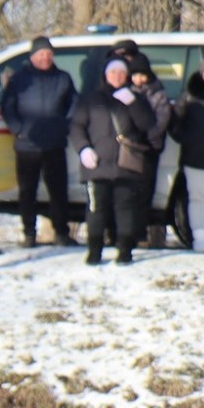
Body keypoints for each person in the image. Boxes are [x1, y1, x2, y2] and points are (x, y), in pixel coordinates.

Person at [70, 57, 158, 266]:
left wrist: (133, 103)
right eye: (113, 73)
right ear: (105, 75)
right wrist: (83, 148)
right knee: (96, 209)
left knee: (125, 208)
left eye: (121, 73)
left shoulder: (135, 98)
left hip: (125, 164)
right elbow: (76, 126)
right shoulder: (90, 99)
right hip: (97, 164)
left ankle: (125, 250)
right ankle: (94, 251)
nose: (117, 77)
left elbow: (147, 125)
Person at [0, 36, 77, 247]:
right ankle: (29, 234)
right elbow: (7, 107)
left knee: (58, 192)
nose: (45, 58)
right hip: (27, 145)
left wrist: (64, 127)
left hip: (54, 144)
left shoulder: (63, 78)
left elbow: (73, 106)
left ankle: (61, 233)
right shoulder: (19, 79)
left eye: (49, 54)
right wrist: (19, 130)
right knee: (27, 192)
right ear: (33, 56)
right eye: (41, 54)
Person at [127, 53, 175, 248]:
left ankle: (139, 232)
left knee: (144, 192)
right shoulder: (127, 92)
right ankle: (124, 232)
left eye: (142, 75)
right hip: (129, 149)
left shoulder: (158, 94)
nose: (138, 79)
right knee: (127, 193)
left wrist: (145, 139)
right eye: (135, 75)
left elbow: (161, 123)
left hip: (149, 149)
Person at [171, 54, 204, 252]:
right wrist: (187, 139)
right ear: (202, 72)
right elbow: (175, 123)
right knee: (197, 198)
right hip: (193, 157)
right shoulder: (189, 94)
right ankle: (199, 239)